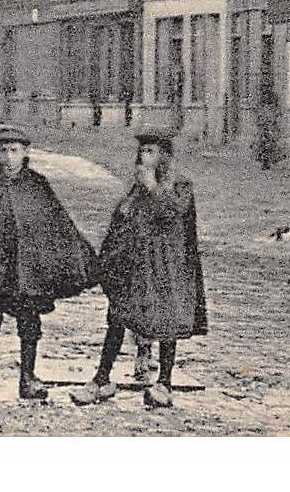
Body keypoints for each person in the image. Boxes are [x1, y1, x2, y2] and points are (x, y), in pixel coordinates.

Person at [0, 124, 97, 401]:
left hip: (28, 272)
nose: (8, 158)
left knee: (29, 322)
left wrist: (78, 257)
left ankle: (28, 378)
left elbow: (57, 225)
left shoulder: (37, 186)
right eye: (2, 151)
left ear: (25, 153)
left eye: (14, 151)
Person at [71, 129, 208, 409]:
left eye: (151, 152)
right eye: (143, 151)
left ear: (164, 156)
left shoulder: (180, 185)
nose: (145, 157)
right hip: (135, 267)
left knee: (166, 321)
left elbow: (173, 214)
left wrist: (152, 187)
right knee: (118, 318)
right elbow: (125, 218)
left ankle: (164, 383)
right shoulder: (137, 187)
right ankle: (102, 379)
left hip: (167, 267)